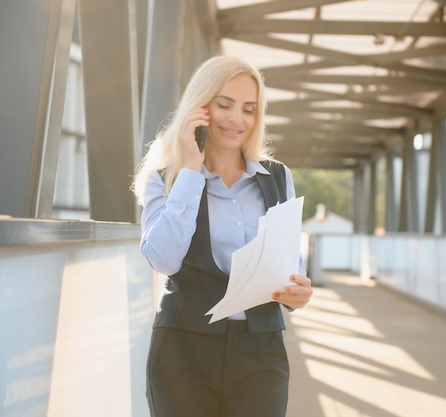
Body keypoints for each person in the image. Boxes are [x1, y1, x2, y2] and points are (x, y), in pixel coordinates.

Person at [131, 55, 313, 417]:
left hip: (261, 351)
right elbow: (163, 260)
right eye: (224, 105)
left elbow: (290, 264)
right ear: (201, 108)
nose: (237, 119)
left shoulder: (278, 177)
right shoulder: (165, 176)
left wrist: (299, 291)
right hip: (184, 350)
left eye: (249, 109)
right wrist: (191, 173)